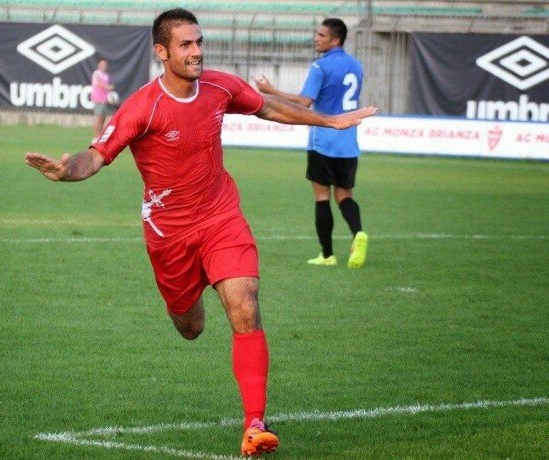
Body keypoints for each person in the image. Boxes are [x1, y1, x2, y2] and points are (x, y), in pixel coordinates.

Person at [25, 8, 376, 456]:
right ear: (162, 52)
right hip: (169, 236)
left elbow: (266, 105)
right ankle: (187, 309)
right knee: (190, 327)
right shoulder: (141, 106)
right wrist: (66, 170)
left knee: (245, 304)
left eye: (199, 42)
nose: (197, 52)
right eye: (186, 45)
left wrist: (329, 122)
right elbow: (96, 155)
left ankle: (254, 424)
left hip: (220, 216)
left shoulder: (219, 86)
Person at [255, 18, 369, 269]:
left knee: (321, 197)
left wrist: (270, 90)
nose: (316, 38)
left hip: (323, 139)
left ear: (335, 40)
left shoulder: (320, 66)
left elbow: (305, 103)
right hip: (348, 141)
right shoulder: (356, 65)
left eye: (321, 35)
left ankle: (327, 255)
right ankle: (358, 233)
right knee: (344, 195)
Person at [90, 58, 115, 143]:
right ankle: (95, 137)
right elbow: (98, 83)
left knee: (103, 118)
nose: (103, 66)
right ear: (98, 65)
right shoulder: (96, 73)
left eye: (105, 65)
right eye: (102, 64)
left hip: (104, 99)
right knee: (98, 117)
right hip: (98, 98)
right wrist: (108, 87)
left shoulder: (106, 75)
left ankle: (100, 136)